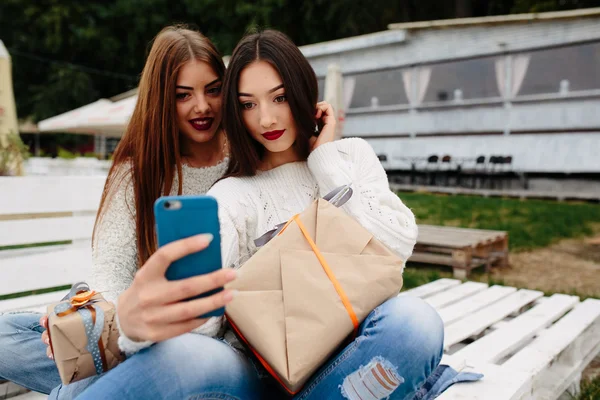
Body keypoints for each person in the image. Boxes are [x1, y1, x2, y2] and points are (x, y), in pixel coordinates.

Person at [78, 29, 444, 400]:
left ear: (303, 90)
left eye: (280, 97)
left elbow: (396, 248)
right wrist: (151, 316)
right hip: (261, 373)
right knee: (183, 357)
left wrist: (325, 164)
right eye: (248, 104)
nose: (267, 119)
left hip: (348, 356)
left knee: (417, 323)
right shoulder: (231, 195)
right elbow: (203, 329)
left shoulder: (350, 158)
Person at [0, 24, 233, 399]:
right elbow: (110, 273)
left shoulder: (243, 158)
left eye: (212, 90)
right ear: (161, 99)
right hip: (135, 331)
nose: (201, 106)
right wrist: (115, 326)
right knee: (6, 336)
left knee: (86, 378)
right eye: (183, 95)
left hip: (201, 343)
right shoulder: (138, 170)